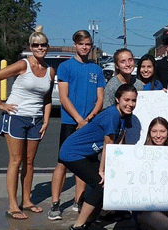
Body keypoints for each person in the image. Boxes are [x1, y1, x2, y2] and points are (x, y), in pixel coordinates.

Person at [0, 25, 54, 219]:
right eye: (36, 45)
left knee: (29, 162)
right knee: (16, 160)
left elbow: (47, 98)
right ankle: (12, 205)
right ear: (30, 46)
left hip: (36, 120)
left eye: (43, 45)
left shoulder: (50, 71)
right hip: (16, 117)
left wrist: (46, 120)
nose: (39, 48)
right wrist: (0, 104)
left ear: (47, 47)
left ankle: (26, 201)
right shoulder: (23, 65)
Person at [60, 84, 137, 230]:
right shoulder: (112, 115)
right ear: (117, 99)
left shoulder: (125, 116)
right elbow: (108, 145)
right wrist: (102, 170)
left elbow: (118, 142)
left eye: (133, 101)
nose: (130, 104)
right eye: (126, 100)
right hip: (72, 152)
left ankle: (91, 220)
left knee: (108, 184)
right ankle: (78, 226)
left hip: (87, 154)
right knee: (101, 185)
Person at [48, 30, 106, 220]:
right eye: (81, 44)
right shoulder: (65, 67)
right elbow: (63, 97)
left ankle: (78, 201)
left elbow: (100, 100)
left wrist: (88, 120)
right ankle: (55, 204)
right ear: (75, 44)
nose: (84, 47)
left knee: (84, 164)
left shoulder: (96, 69)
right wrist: (78, 119)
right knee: (62, 163)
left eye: (88, 44)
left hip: (89, 124)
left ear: (91, 45)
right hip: (70, 122)